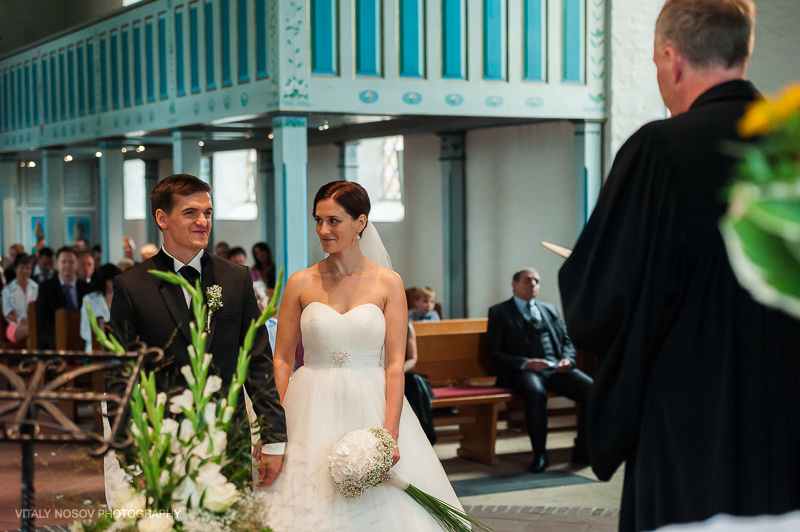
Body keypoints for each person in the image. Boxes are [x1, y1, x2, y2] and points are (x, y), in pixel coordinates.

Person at [558, 1, 800, 530]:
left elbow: (596, 307)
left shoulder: (661, 150)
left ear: (672, 59)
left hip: (690, 429)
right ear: (743, 50)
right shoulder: (792, 145)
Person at [261, 180, 461, 531]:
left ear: (361, 222)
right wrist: (271, 429)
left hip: (369, 399)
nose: (323, 230)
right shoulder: (300, 282)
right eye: (318, 220)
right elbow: (281, 360)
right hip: (308, 399)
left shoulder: (389, 283)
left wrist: (391, 434)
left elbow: (396, 364)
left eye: (334, 221)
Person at [109, 174, 286, 487]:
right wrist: (132, 457)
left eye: (207, 212)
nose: (203, 221)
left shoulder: (236, 278)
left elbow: (258, 362)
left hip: (228, 437)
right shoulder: (132, 286)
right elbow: (122, 378)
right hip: (161, 441)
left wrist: (272, 440)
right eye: (190, 213)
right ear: (162, 219)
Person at [487, 268, 592, 473]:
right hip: (524, 372)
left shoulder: (549, 309)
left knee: (593, 390)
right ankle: (540, 454)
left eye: (536, 281)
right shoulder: (499, 312)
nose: (533, 284)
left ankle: (583, 449)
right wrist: (525, 363)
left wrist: (567, 360)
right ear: (514, 284)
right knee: (535, 393)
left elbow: (566, 340)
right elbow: (495, 352)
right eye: (528, 280)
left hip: (556, 369)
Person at [36, 246, 92, 349]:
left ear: (76, 265)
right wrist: (61, 332)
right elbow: (42, 319)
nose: (67, 265)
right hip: (55, 335)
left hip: (82, 332)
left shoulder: (87, 288)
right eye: (64, 262)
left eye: (71, 262)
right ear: (56, 265)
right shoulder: (46, 287)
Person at [404, 322, 437, 444]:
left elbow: (412, 359)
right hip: (377, 372)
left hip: (403, 374)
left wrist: (396, 371)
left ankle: (420, 437)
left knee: (414, 383)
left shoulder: (407, 327)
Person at [80, 263, 121, 352]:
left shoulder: (123, 298)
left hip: (119, 349)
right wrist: (105, 341)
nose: (112, 283)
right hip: (96, 349)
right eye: (109, 280)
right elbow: (84, 330)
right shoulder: (89, 299)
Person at [2, 254, 38, 344]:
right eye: (22, 267)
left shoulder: (36, 287)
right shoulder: (8, 290)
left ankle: (33, 357)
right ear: (15, 269)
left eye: (28, 268)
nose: (25, 271)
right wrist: (20, 320)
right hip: (14, 326)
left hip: (33, 323)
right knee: (32, 329)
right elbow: (7, 313)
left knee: (32, 334)